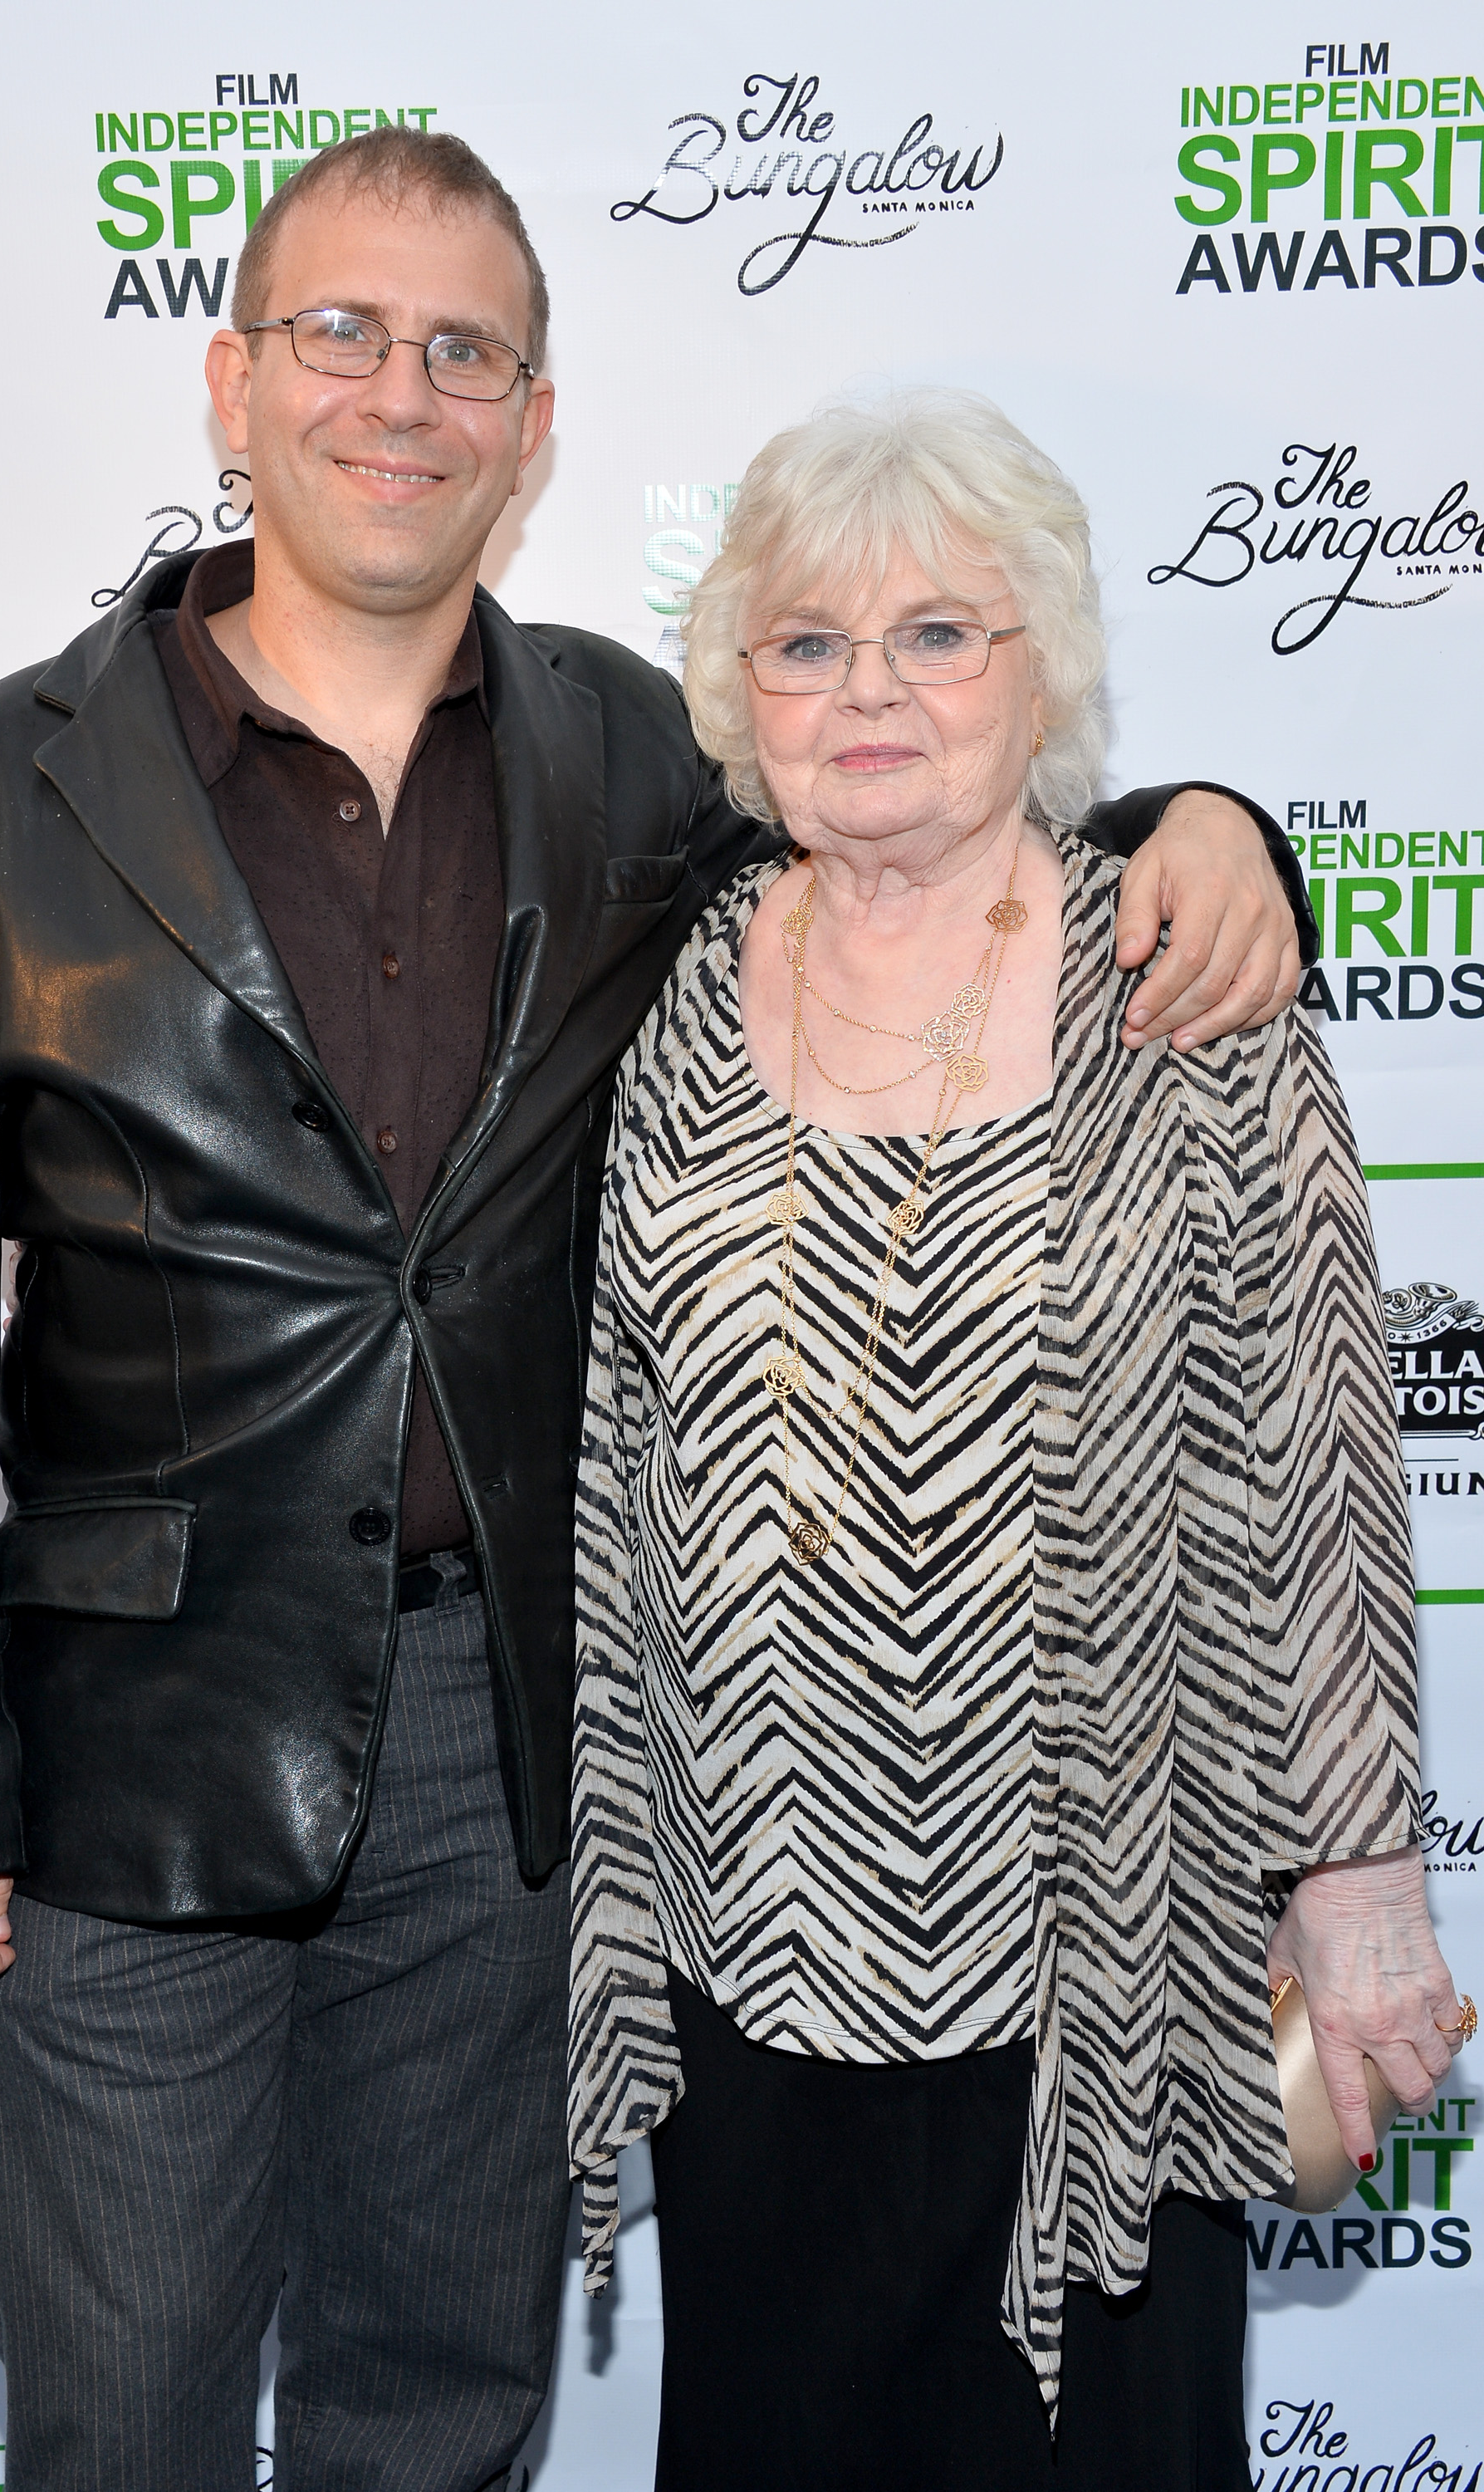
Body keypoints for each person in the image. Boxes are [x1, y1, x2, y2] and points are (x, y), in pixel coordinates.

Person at [0, 127, 1302, 2492]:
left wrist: (1215, 824)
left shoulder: (638, 750)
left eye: (462, 351)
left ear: (529, 425)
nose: (397, 392)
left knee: (446, 2413)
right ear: (229, 383)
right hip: (121, 1772)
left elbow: (921, 811)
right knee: (123, 2429)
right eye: (340, 334)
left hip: (519, 1771)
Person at [567, 390, 1467, 2492]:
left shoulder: (1185, 982)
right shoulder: (671, 982)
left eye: (936, 635)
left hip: (1102, 1955)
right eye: (803, 643)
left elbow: (1316, 1471)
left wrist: (1354, 1896)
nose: (864, 688)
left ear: (1040, 668)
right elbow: (611, 1452)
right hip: (746, 1944)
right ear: (736, 690)